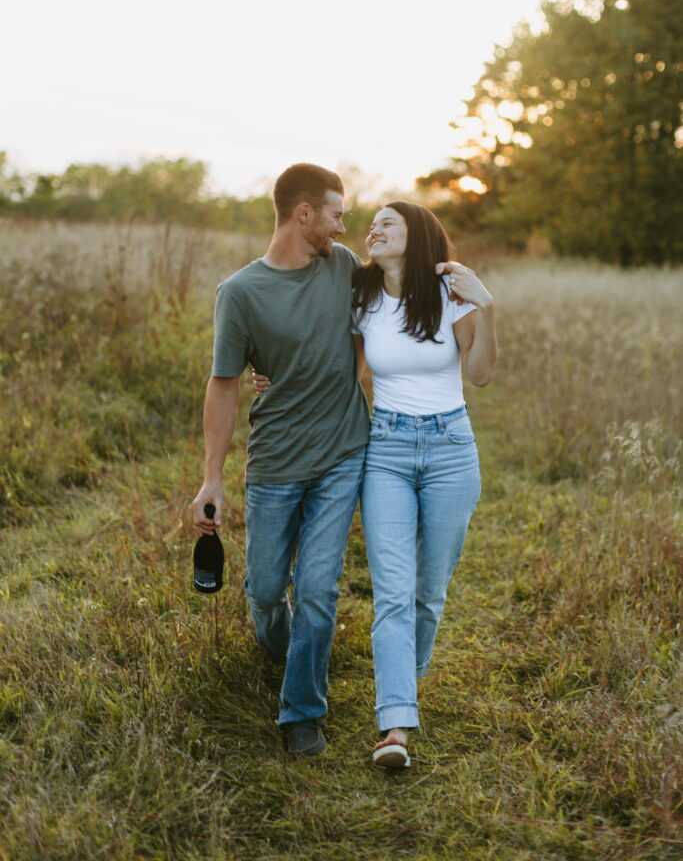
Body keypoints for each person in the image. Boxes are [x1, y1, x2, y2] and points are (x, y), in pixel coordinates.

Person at [192, 162, 369, 759]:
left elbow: (383, 314)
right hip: (275, 463)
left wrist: (352, 375)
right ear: (304, 215)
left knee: (318, 588)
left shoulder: (343, 268)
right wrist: (212, 478)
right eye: (336, 215)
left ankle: (302, 712)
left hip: (344, 453)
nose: (343, 228)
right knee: (267, 591)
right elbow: (222, 385)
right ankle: (293, 648)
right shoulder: (239, 293)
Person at [352, 201, 496, 767]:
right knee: (391, 591)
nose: (375, 229)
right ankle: (395, 726)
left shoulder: (451, 292)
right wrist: (273, 377)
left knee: (427, 593)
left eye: (388, 222)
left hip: (451, 451)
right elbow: (345, 369)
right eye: (373, 224)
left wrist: (488, 311)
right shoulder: (362, 295)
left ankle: (400, 688)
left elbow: (480, 375)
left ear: (418, 235)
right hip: (385, 448)